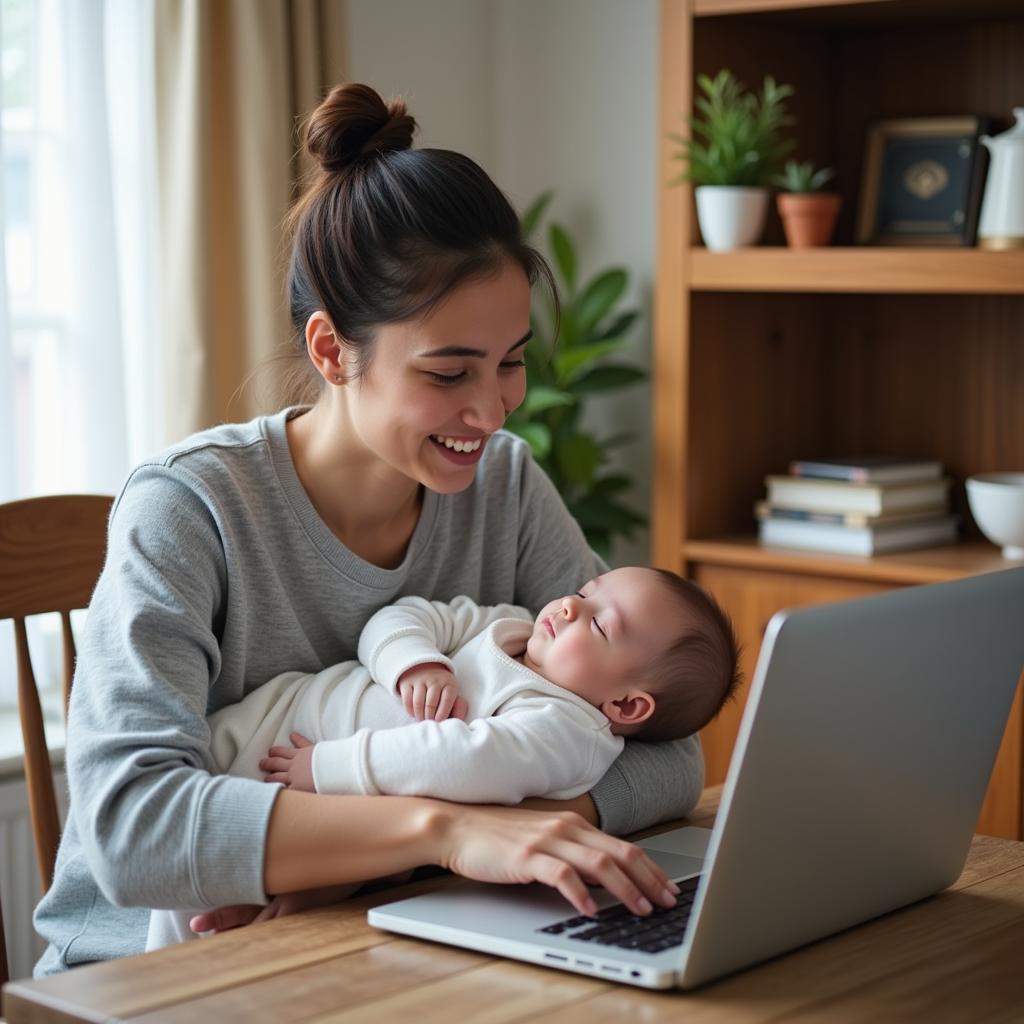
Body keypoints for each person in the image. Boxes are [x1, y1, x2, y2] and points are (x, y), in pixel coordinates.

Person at [34, 82, 706, 975]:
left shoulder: (502, 487)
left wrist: (448, 844)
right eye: (447, 372)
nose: (492, 410)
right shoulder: (189, 508)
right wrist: (446, 829)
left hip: (372, 926)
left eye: (509, 364)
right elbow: (134, 828)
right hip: (151, 976)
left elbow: (668, 749)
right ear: (329, 350)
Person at [146, 566, 739, 948]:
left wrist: (332, 769)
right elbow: (405, 616)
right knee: (182, 855)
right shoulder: (509, 628)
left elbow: (457, 759)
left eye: (600, 627)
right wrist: (414, 661)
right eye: (584, 592)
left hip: (295, 777)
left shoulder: (565, 730)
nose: (566, 607)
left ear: (628, 706)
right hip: (269, 723)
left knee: (194, 907)